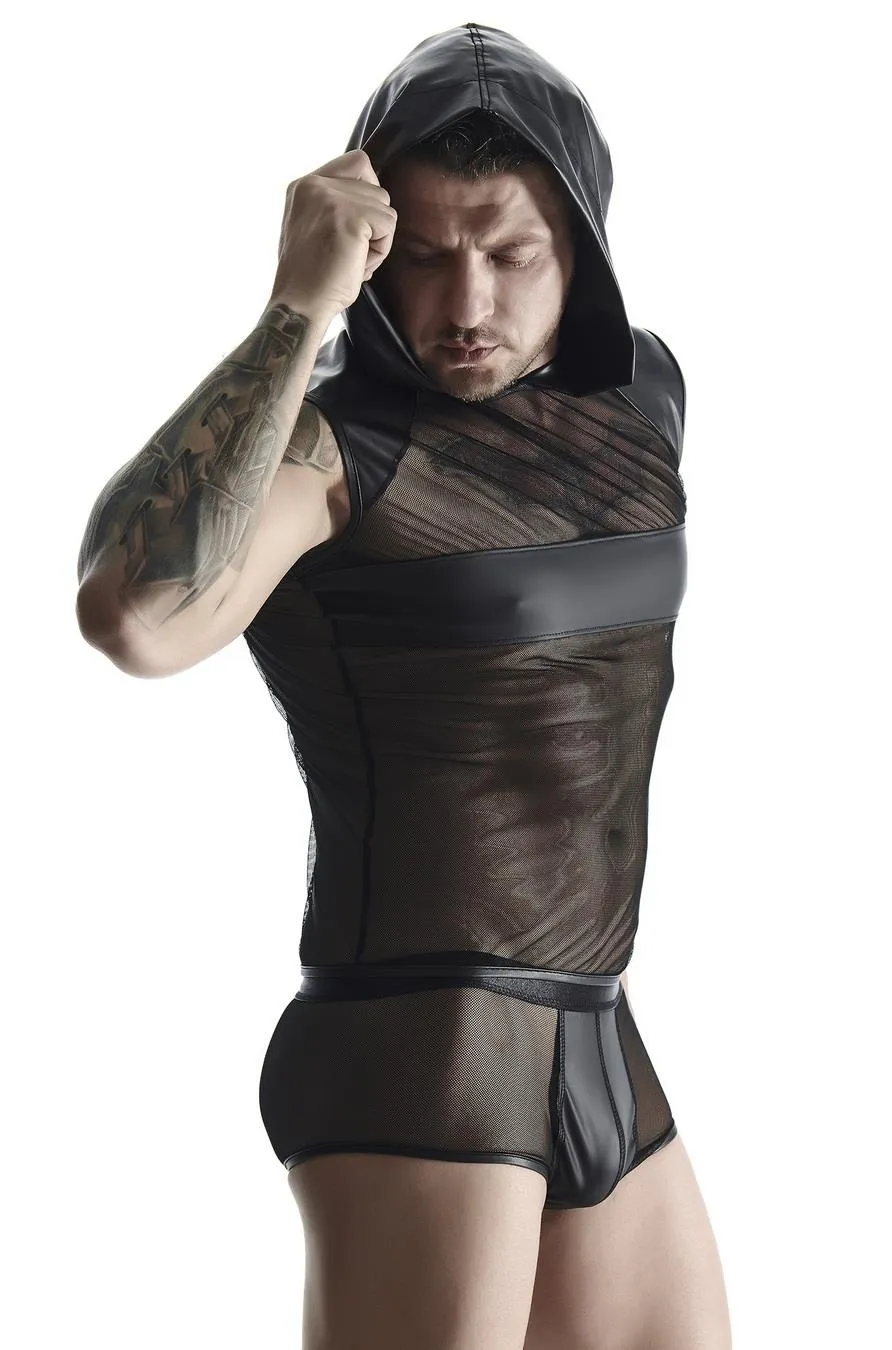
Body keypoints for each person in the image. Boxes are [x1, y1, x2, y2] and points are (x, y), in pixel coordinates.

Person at [75, 21, 732, 1350]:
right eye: (424, 257)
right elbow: (134, 619)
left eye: (510, 254)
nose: (466, 302)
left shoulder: (643, 398)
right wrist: (296, 311)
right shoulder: (337, 447)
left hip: (598, 1022)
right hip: (420, 1046)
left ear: (583, 246)